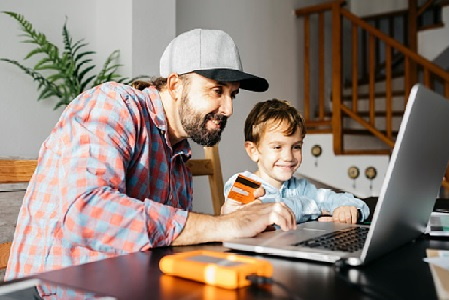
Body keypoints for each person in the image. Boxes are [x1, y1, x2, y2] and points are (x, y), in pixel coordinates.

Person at [5, 29, 297, 286]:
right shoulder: (113, 105)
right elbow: (84, 212)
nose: (229, 108)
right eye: (216, 90)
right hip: (53, 291)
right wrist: (220, 226)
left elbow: (165, 245)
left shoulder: (179, 157)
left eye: (232, 94)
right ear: (174, 86)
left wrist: (229, 222)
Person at [221, 98, 370, 224]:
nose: (288, 157)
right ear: (253, 151)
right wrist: (314, 207)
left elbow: (346, 201)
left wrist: (349, 209)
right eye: (277, 147)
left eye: (296, 147)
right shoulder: (242, 184)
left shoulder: (301, 187)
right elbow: (267, 214)